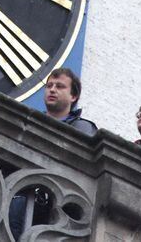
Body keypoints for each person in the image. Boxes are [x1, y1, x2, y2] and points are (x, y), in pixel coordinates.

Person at [9, 68, 97, 238]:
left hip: (60, 208)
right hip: (23, 200)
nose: (52, 89)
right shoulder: (30, 123)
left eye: (60, 86)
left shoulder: (84, 129)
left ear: (73, 96)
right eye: (49, 85)